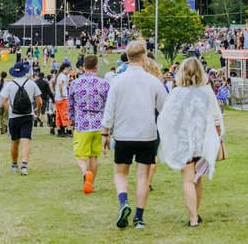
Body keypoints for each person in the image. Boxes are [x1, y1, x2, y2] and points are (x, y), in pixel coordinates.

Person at [101, 40, 166, 230]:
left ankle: (124, 203)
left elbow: (109, 109)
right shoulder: (153, 82)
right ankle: (139, 217)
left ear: (127, 58)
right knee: (142, 177)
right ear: (144, 56)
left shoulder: (117, 81)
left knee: (120, 173)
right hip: (147, 134)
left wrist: (105, 132)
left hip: (123, 133)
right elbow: (164, 108)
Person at [157, 57, 224, 228]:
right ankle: (195, 213)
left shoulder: (177, 93)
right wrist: (218, 137)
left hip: (184, 142)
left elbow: (167, 118)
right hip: (202, 141)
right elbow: (216, 117)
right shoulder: (207, 91)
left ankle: (193, 217)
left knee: (188, 180)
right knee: (197, 179)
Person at [67, 55, 109, 194]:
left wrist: (71, 121)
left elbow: (71, 105)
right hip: (99, 123)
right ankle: (91, 184)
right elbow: (108, 106)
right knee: (94, 156)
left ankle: (86, 174)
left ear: (83, 67)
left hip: (82, 123)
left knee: (80, 155)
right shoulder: (103, 84)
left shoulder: (75, 83)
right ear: (96, 66)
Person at [1, 61, 42, 175]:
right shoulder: (31, 83)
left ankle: (14, 164)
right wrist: (37, 110)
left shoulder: (9, 84)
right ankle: (24, 165)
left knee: (15, 142)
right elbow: (39, 101)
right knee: (26, 141)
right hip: (27, 116)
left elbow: (3, 101)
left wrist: (9, 110)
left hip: (13, 117)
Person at [54, 61, 72, 138]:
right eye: (68, 69)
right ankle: (67, 130)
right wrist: (62, 94)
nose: (69, 71)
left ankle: (59, 130)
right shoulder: (62, 76)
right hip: (62, 98)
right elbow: (61, 85)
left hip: (57, 98)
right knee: (65, 114)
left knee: (58, 114)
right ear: (65, 69)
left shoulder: (59, 75)